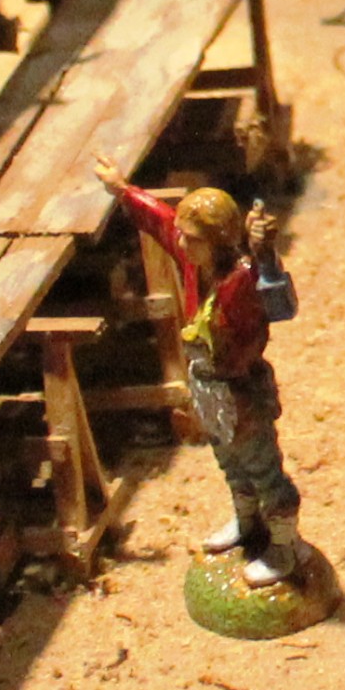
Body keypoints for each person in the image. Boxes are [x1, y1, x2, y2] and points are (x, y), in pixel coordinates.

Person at [109, 180, 307, 588]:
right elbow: (162, 222)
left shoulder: (244, 278)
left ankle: (285, 545)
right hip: (207, 386)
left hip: (240, 391)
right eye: (183, 235)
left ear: (216, 241)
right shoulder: (193, 267)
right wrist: (124, 191)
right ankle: (246, 521)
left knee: (263, 468)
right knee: (230, 463)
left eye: (193, 238)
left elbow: (281, 305)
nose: (182, 243)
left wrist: (266, 254)